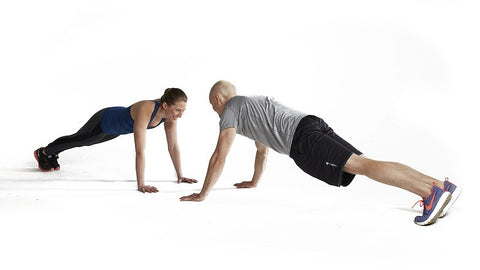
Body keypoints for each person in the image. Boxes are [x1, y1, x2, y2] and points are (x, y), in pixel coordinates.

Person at [180, 80, 461, 226]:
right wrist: (254, 181)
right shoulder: (251, 106)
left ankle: (429, 194)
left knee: (361, 165)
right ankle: (439, 185)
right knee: (363, 163)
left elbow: (219, 156)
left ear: (218, 100)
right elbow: (261, 150)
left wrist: (203, 193)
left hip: (301, 138)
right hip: (310, 123)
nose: (215, 111)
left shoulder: (230, 110)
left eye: (212, 106)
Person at [34, 88, 197, 193]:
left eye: (183, 110)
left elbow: (173, 146)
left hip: (116, 130)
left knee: (83, 141)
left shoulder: (170, 117)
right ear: (165, 105)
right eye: (178, 110)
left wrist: (180, 175)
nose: (180, 114)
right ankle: (44, 152)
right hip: (106, 119)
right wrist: (141, 184)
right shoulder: (146, 109)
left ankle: (51, 153)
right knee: (80, 140)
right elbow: (140, 150)